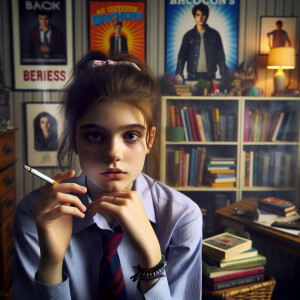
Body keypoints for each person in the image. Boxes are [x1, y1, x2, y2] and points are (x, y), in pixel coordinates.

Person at [13, 51, 202, 299]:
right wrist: (51, 265)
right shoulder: (37, 215)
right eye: (95, 135)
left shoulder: (182, 217)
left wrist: (152, 262)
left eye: (131, 135)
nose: (113, 153)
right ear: (74, 140)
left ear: (149, 139)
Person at [175, 3, 228, 83]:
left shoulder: (215, 35)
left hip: (210, 76)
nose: (200, 17)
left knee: (209, 94)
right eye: (198, 15)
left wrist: (224, 74)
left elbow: (220, 56)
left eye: (203, 14)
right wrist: (179, 74)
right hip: (192, 75)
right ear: (194, 16)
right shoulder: (188, 36)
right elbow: (182, 57)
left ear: (207, 16)